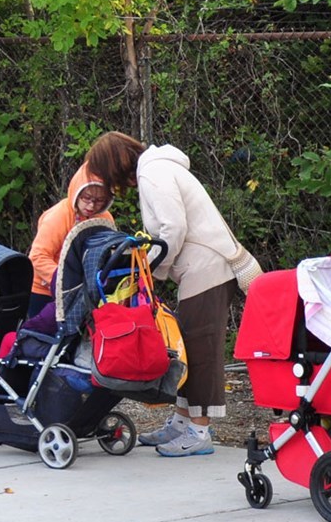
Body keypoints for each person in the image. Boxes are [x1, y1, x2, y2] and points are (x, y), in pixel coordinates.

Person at [85, 131, 256, 457]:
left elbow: (172, 229)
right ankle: (181, 423)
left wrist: (150, 267)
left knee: (201, 349)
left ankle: (199, 431)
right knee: (186, 347)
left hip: (208, 268)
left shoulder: (153, 172)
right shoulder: (157, 168)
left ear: (115, 164)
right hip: (199, 269)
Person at [28, 177, 115, 312]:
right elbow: (37, 256)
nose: (91, 206)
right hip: (45, 290)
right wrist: (67, 281)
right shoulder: (59, 215)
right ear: (77, 193)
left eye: (99, 201)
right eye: (87, 198)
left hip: (82, 291)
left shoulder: (105, 218)